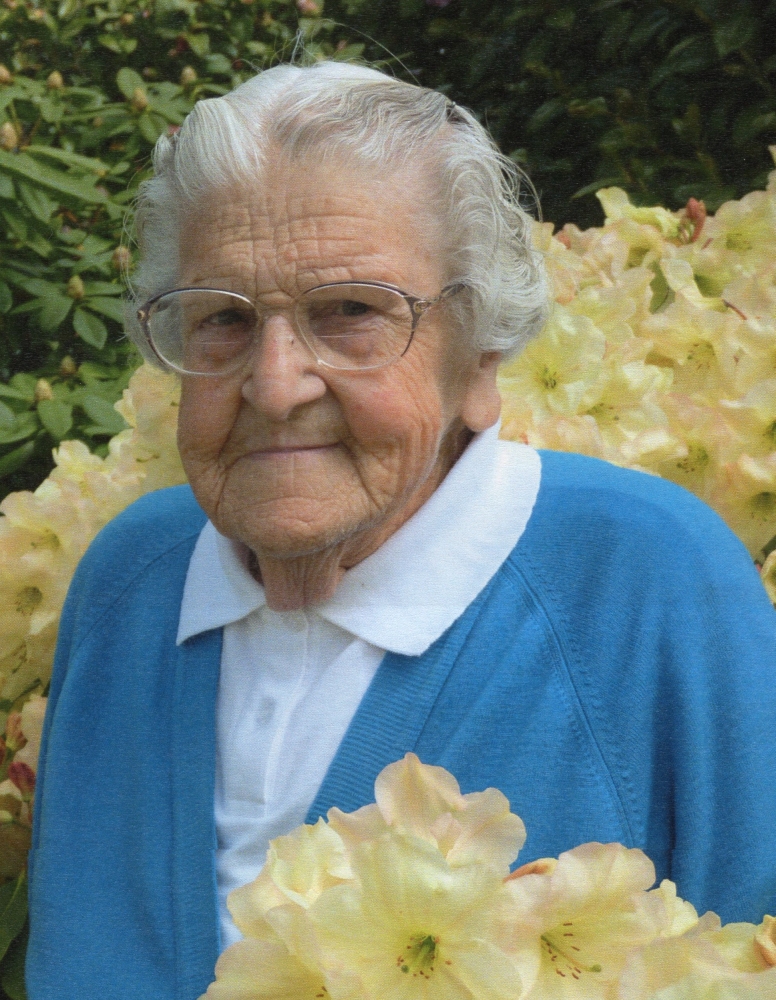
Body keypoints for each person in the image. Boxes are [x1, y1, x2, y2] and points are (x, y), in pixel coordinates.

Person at [27, 61, 776, 999]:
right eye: (221, 319)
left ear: (483, 350)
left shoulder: (649, 579)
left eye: (351, 313)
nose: (275, 383)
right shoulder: (131, 581)